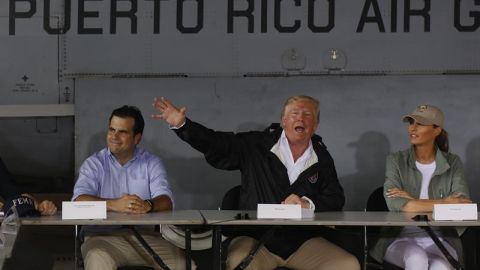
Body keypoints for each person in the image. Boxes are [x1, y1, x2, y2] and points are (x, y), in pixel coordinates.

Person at [152, 95, 360, 270]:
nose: (301, 119)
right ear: (283, 121)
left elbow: (335, 198)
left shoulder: (322, 157)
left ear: (316, 125)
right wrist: (183, 125)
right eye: (294, 114)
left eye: (308, 115)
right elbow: (217, 144)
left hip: (301, 241)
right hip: (256, 239)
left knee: (347, 264)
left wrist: (308, 204)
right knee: (241, 262)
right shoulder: (255, 145)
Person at [73, 105, 192, 270]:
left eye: (122, 132)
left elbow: (166, 201)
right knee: (97, 259)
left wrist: (148, 205)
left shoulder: (151, 163)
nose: (114, 136)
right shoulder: (94, 164)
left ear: (137, 138)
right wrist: (115, 204)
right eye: (111, 130)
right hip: (101, 238)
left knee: (184, 265)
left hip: (145, 238)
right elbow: (78, 204)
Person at [370, 104, 471, 270]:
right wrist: (445, 202)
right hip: (399, 239)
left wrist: (413, 201)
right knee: (416, 258)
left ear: (437, 130)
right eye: (411, 122)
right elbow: (395, 204)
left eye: (421, 123)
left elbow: (462, 207)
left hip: (441, 239)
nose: (413, 128)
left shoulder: (453, 163)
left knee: (442, 267)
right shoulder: (396, 160)